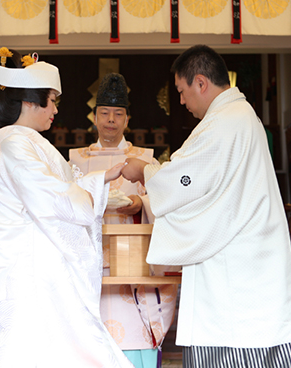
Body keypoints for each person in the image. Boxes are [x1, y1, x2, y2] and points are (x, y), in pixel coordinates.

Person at [122, 45, 291, 367]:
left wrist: (145, 172)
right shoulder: (239, 117)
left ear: (201, 83)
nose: (181, 101)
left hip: (237, 270)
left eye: (182, 91)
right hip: (253, 261)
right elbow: (206, 187)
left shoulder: (225, 122)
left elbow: (186, 180)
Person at [0, 47, 134, 368]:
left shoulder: (25, 144)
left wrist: (98, 180)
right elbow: (48, 196)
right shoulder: (19, 145)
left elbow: (54, 190)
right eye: (52, 101)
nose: (56, 110)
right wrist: (91, 192)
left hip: (35, 276)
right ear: (30, 103)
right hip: (34, 279)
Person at [69, 73, 178, 368]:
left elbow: (167, 200)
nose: (111, 120)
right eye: (104, 113)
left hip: (134, 268)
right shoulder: (75, 161)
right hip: (90, 264)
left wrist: (140, 203)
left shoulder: (145, 160)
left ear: (127, 119)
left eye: (118, 114)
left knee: (135, 335)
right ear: (94, 117)